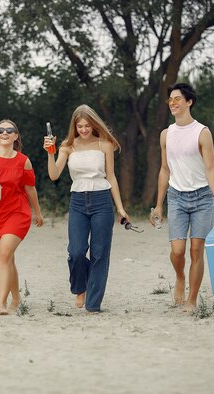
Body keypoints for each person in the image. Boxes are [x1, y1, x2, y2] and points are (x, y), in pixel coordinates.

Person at [150, 82, 214, 311]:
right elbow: (165, 169)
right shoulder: (166, 135)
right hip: (176, 197)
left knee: (196, 250)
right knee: (177, 251)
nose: (172, 103)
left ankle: (192, 300)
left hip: (202, 197)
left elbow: (211, 169)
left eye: (177, 99)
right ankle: (180, 277)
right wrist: (158, 205)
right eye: (170, 100)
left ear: (189, 102)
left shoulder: (202, 133)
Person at [44, 104, 129, 313]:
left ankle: (93, 302)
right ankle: (80, 286)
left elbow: (111, 177)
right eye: (80, 126)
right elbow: (54, 175)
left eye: (87, 125)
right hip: (78, 202)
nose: (83, 129)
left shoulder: (105, 145)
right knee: (76, 252)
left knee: (100, 253)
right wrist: (50, 153)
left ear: (94, 124)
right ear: (74, 126)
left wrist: (121, 208)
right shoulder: (67, 146)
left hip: (102, 201)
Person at [0, 119, 44, 315]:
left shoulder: (23, 161)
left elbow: (30, 189)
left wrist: (37, 212)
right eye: (0, 130)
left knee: (4, 254)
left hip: (16, 212)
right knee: (6, 258)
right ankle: (16, 298)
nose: (4, 132)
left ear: (15, 136)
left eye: (9, 130)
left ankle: (1, 304)